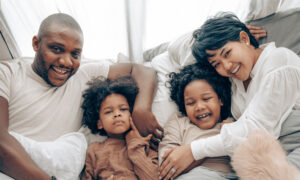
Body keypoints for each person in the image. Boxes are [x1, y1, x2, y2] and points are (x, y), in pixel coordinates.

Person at [0, 13, 162, 179]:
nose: (66, 62)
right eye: (56, 49)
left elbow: (142, 70)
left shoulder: (84, 74)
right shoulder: (7, 73)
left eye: (75, 54)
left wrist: (141, 108)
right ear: (36, 43)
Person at [159, 12, 300, 177]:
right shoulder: (235, 79)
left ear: (245, 39)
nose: (226, 66)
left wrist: (193, 150)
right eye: (216, 63)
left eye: (227, 53)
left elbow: (256, 129)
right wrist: (211, 36)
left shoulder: (278, 62)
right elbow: (179, 53)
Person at [159, 63, 236, 180]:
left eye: (206, 99)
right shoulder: (179, 122)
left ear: (220, 99)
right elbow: (167, 165)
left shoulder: (234, 122)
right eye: (190, 103)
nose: (199, 107)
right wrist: (205, 151)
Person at [80, 76, 158, 180]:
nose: (117, 114)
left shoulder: (145, 145)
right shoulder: (94, 150)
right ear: (99, 123)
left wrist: (134, 143)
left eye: (123, 109)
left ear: (131, 114)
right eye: (108, 112)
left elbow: (153, 178)